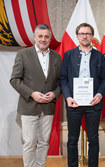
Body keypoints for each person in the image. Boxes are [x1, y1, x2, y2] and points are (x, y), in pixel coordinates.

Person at [10, 24, 61, 167]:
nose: (43, 39)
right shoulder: (23, 54)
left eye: (46, 37)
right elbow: (14, 80)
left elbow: (60, 82)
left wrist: (55, 94)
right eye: (40, 36)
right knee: (30, 143)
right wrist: (32, 93)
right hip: (29, 107)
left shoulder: (57, 57)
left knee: (44, 142)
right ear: (34, 37)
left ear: (50, 38)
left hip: (48, 107)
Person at [60, 23, 105, 167]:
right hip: (74, 103)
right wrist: (68, 97)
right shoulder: (69, 55)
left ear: (92, 36)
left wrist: (99, 94)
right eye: (82, 33)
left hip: (93, 103)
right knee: (73, 139)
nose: (85, 36)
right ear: (77, 36)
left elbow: (104, 79)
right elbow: (63, 78)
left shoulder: (99, 56)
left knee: (93, 139)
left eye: (87, 33)